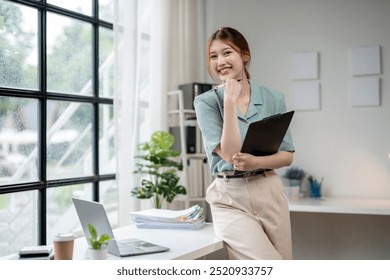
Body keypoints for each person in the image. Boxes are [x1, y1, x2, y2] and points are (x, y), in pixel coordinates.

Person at [193, 27, 295, 260]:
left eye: (227, 52)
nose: (220, 61)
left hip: (269, 190)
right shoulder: (206, 102)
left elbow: (287, 155)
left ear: (245, 56)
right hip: (229, 197)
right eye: (213, 56)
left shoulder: (273, 97)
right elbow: (230, 154)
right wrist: (229, 100)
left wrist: (255, 161)